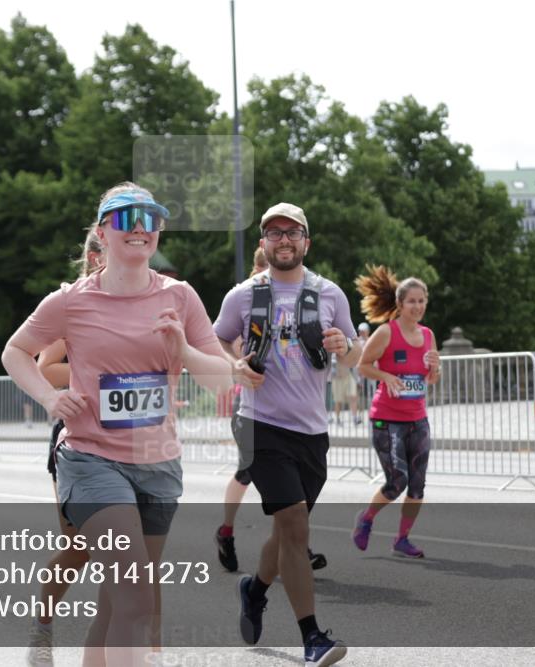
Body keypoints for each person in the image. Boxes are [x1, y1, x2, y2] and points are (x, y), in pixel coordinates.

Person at [2, 183, 230, 665]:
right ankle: (45, 625)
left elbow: (221, 379)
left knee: (115, 604)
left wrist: (183, 352)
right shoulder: (69, 301)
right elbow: (16, 352)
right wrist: (49, 396)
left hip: (158, 466)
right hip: (91, 460)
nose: (141, 227)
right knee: (134, 594)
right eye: (127, 218)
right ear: (102, 233)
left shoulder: (181, 297)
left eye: (151, 218)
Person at [213, 202, 360, 666]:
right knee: (295, 523)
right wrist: (234, 364)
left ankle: (254, 589)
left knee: (286, 531)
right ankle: (313, 637)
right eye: (273, 233)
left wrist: (344, 346)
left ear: (306, 242)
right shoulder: (243, 295)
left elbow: (354, 358)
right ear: (263, 243)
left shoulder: (330, 293)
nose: (283, 240)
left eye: (292, 232)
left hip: (311, 430)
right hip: (259, 423)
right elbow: (215, 341)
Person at [215, 246, 328, 573]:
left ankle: (295, 543)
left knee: (288, 486)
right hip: (251, 405)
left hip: (291, 410)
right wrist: (241, 360)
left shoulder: (304, 296)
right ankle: (226, 530)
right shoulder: (248, 296)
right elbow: (228, 344)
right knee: (246, 471)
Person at [26, 226, 103, 667]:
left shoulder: (146, 302)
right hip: (76, 439)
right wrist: (90, 375)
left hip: (132, 441)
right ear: (95, 258)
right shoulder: (74, 304)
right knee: (81, 548)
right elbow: (43, 365)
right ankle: (44, 623)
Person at [350, 266, 440, 559]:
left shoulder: (428, 335)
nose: (418, 306)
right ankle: (367, 518)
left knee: (417, 486)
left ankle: (402, 539)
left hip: (418, 419)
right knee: (397, 480)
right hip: (387, 420)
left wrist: (436, 367)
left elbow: (431, 379)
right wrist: (385, 377)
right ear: (400, 305)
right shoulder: (386, 332)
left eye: (422, 301)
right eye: (412, 301)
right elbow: (363, 365)